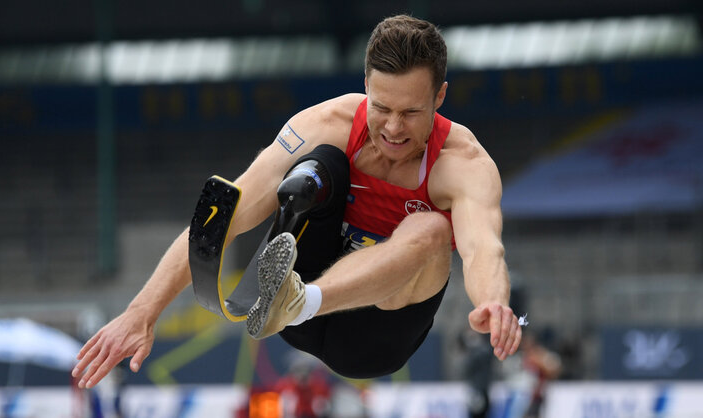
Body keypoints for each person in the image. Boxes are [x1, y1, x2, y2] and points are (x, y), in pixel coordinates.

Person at [73, 14, 522, 388]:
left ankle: (299, 299)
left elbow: (484, 248)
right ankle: (289, 295)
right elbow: (227, 210)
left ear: (439, 97)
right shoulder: (328, 121)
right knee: (320, 165)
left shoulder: (463, 162)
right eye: (382, 107)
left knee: (434, 229)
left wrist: (493, 302)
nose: (392, 129)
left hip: (372, 338)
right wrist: (141, 312)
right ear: (366, 84)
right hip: (296, 299)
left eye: (411, 113)